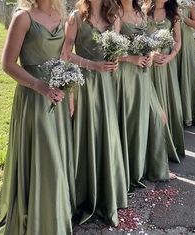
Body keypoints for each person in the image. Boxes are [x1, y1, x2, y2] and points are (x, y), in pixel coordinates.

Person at [0, 0, 76, 234]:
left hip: (57, 95)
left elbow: (64, 57)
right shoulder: (23, 17)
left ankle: (53, 212)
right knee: (44, 155)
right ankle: (37, 217)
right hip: (33, 97)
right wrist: (40, 86)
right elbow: (7, 64)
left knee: (55, 155)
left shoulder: (61, 15)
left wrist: (70, 93)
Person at [61, 0, 128, 226]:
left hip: (107, 85)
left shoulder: (114, 16)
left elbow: (116, 52)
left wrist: (114, 61)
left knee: (105, 134)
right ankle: (82, 193)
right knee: (85, 133)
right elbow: (65, 53)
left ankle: (106, 189)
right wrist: (92, 65)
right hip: (84, 85)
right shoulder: (75, 17)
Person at [115, 0, 179, 187]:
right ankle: (130, 169)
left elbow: (148, 43)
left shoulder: (141, 13)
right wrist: (130, 58)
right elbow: (108, 51)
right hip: (125, 75)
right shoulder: (115, 14)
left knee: (158, 117)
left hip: (143, 74)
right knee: (131, 119)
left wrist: (151, 55)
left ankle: (153, 166)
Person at [145, 0, 185, 157]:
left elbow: (178, 41)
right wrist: (151, 53)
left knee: (166, 100)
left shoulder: (174, 14)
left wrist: (170, 57)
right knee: (151, 103)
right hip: (149, 63)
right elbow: (140, 35)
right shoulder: (144, 11)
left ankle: (168, 144)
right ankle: (152, 144)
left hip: (166, 64)